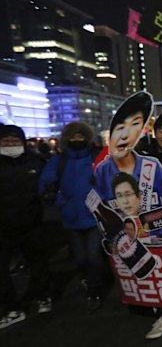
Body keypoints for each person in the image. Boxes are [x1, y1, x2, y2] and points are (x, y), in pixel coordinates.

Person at [93, 92, 162, 339]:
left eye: (135, 126)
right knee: (146, 280)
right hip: (127, 240)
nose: (126, 134)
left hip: (159, 234)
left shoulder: (152, 166)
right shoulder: (103, 170)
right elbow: (102, 208)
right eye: (121, 127)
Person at [38, 121, 104, 312]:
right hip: (71, 217)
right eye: (73, 136)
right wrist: (57, 200)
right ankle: (86, 278)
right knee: (81, 258)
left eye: (81, 136)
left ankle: (95, 290)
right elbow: (46, 183)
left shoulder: (95, 157)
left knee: (93, 256)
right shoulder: (59, 161)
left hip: (94, 216)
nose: (77, 139)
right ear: (66, 139)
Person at [0, 125, 52, 329]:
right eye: (6, 141)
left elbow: (48, 186)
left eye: (14, 141)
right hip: (2, 227)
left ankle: (43, 295)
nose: (10, 145)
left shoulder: (37, 162)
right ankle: (12, 308)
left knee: (38, 263)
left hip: (31, 223)